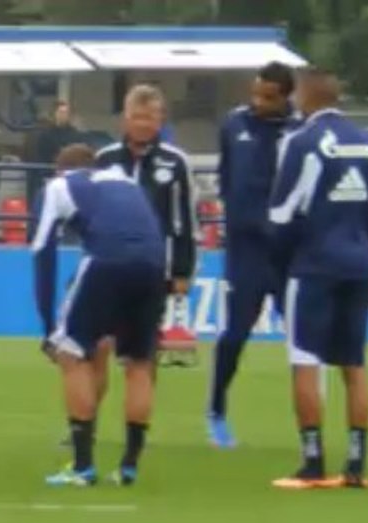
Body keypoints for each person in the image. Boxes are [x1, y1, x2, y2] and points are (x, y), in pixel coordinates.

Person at [268, 66, 368, 490]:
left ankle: (313, 462)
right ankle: (356, 466)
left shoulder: (301, 142)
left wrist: (280, 266)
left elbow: (281, 214)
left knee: (305, 360)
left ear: (304, 97)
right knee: (354, 364)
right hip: (359, 263)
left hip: (314, 265)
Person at [33, 144, 167, 487]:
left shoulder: (60, 185)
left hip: (106, 259)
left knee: (71, 353)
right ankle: (129, 467)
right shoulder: (126, 182)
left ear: (60, 169)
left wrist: (48, 327)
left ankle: (82, 467)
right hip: (154, 265)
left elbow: (43, 250)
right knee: (139, 362)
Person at [207, 62, 300, 448]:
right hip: (245, 250)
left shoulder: (299, 130)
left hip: (288, 252)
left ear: (286, 96)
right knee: (235, 332)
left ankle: (309, 427)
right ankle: (216, 410)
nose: (259, 102)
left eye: (268, 96)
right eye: (256, 93)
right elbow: (227, 177)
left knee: (301, 339)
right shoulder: (234, 124)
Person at [90, 85, 198, 410]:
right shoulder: (105, 159)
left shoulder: (175, 162)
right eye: (137, 116)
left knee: (141, 355)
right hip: (108, 268)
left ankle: (137, 426)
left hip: (152, 269)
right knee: (97, 347)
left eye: (149, 117)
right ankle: (86, 421)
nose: (143, 124)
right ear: (125, 119)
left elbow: (185, 220)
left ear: (160, 120)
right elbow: (93, 213)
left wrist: (182, 270)